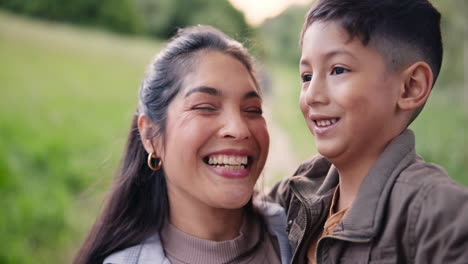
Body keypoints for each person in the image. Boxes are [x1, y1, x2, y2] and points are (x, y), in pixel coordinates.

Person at [268, 0, 468, 263]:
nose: (312, 95)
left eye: (338, 70)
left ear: (410, 87)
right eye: (306, 77)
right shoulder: (301, 187)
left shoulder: (440, 216)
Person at [74, 25, 292, 264]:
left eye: (252, 110)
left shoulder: (299, 234)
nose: (239, 129)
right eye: (205, 107)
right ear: (150, 136)